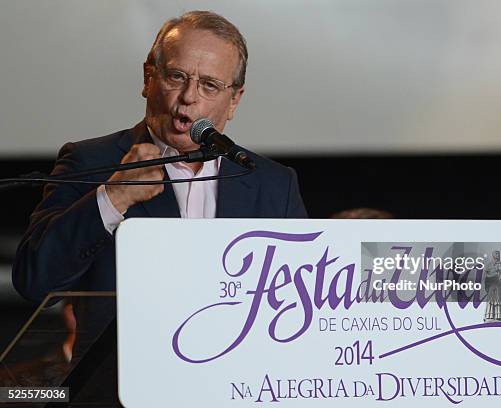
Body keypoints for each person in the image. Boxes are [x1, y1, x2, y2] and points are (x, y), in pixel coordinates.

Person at [12, 10, 307, 305]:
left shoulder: (273, 185)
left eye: (209, 85)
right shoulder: (90, 162)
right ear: (148, 77)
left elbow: (304, 301)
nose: (189, 96)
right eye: (177, 76)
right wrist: (113, 197)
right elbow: (35, 283)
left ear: (234, 100)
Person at [483, 250, 501, 321]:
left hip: (500, 287)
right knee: (492, 301)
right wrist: (493, 276)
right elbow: (485, 276)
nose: (498, 255)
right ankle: (490, 316)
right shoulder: (489, 265)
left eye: (499, 253)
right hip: (492, 286)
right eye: (496, 253)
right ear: (493, 255)